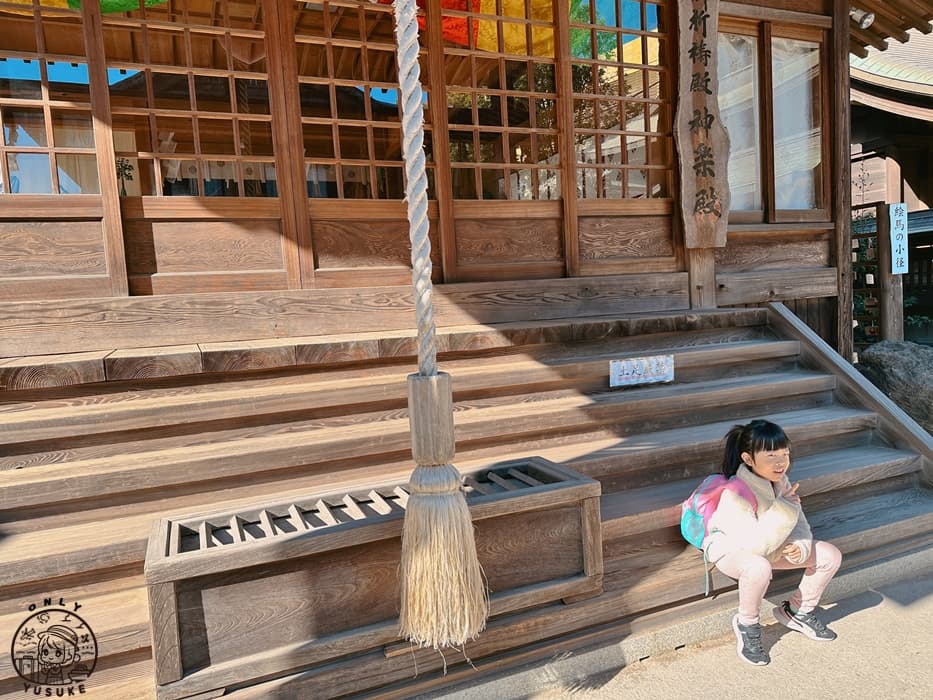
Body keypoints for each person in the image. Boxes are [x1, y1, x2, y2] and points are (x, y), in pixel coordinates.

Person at [705, 419, 842, 666]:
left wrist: (800, 546)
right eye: (771, 456)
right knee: (758, 567)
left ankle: (798, 611)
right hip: (732, 551)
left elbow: (799, 523)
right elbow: (753, 547)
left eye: (785, 454)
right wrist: (784, 508)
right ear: (748, 459)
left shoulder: (781, 481)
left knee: (829, 555)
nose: (781, 462)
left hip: (770, 545)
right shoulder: (736, 491)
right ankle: (747, 624)